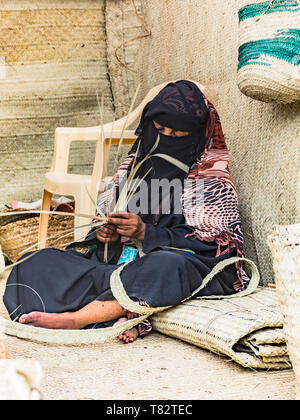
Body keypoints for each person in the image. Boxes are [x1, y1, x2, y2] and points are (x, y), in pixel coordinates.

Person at [3, 80, 250, 344]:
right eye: (159, 129)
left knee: (168, 266)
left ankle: (76, 319)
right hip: (117, 271)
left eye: (177, 135)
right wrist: (104, 236)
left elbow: (218, 249)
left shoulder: (210, 180)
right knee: (33, 262)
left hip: (171, 268)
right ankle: (122, 312)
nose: (166, 139)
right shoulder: (134, 169)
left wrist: (147, 233)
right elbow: (101, 237)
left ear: (198, 135)